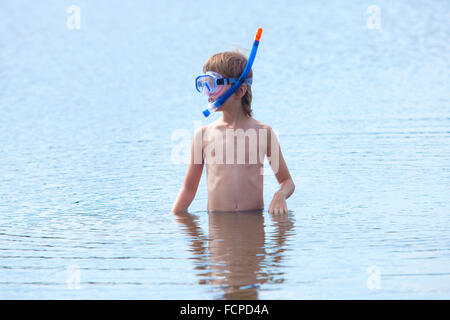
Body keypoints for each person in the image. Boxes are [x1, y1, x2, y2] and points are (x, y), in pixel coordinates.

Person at [171, 51, 294, 214]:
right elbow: (188, 189)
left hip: (254, 223)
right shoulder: (203, 135)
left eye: (213, 84)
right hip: (218, 225)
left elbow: (287, 181)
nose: (208, 91)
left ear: (239, 91)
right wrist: (173, 221)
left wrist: (280, 194)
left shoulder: (264, 133)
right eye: (205, 84)